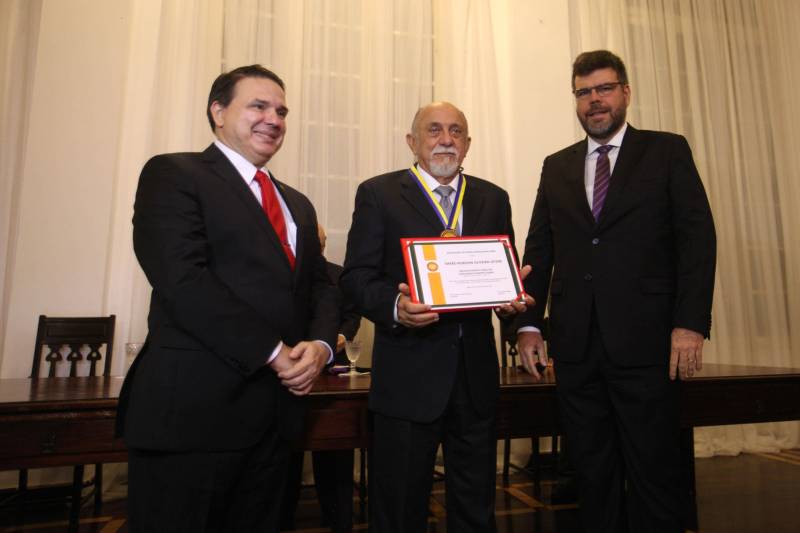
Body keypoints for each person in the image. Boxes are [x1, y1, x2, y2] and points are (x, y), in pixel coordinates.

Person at [116, 64, 339, 532]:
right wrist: (276, 354)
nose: (273, 119)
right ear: (218, 112)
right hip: (194, 417)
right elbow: (184, 281)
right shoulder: (173, 173)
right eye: (258, 106)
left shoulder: (296, 203)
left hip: (277, 420)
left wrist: (320, 346)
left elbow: (321, 284)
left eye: (281, 110)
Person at [516, 50, 716, 532]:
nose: (594, 101)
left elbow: (697, 240)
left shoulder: (667, 150)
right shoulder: (556, 165)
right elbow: (538, 249)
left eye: (604, 89)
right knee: (591, 473)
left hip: (648, 344)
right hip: (577, 348)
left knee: (654, 472)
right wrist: (526, 325)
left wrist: (689, 324)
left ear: (625, 92)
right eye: (584, 92)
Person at [340, 101, 533, 532]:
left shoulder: (492, 198)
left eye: (456, 131)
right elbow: (356, 278)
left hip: (475, 378)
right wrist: (395, 307)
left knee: (474, 506)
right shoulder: (380, 194)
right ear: (412, 141)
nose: (445, 139)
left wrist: (510, 300)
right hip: (408, 377)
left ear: (467, 144)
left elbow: (505, 275)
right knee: (399, 508)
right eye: (434, 130)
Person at [280, 224, 361, 533]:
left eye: (322, 244)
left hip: (333, 371)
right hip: (286, 372)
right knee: (286, 452)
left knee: (336, 445)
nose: (319, 249)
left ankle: (338, 518)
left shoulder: (338, 275)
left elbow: (352, 315)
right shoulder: (283, 273)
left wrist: (336, 339)